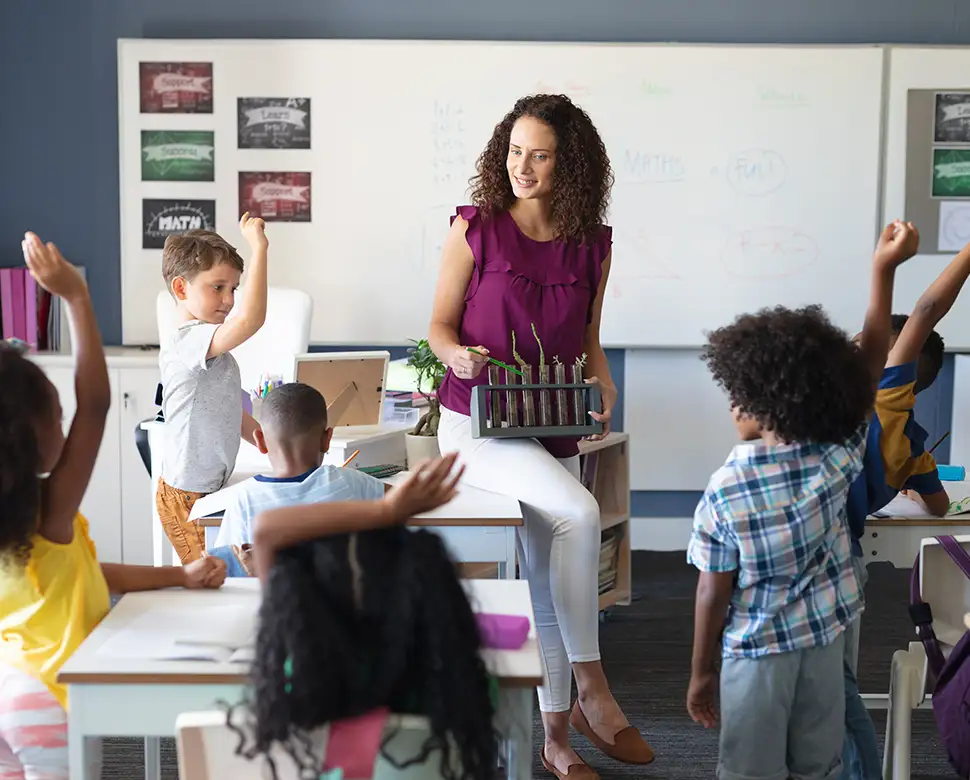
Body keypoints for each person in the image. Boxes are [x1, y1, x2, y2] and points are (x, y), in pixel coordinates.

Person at [429, 93, 650, 779]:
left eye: (540, 154)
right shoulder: (476, 229)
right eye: (514, 150)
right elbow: (438, 326)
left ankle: (554, 738)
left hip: (549, 421)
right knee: (580, 514)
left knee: (548, 576)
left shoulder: (593, 245)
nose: (522, 165)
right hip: (477, 426)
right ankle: (592, 685)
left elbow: (588, 338)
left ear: (570, 162)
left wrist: (605, 383)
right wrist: (456, 355)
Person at [685, 224, 915, 780]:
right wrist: (882, 271)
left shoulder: (725, 489)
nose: (732, 403)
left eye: (737, 393)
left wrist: (701, 673)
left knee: (750, 770)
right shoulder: (835, 457)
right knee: (820, 765)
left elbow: (712, 595)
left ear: (762, 405)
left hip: (756, 656)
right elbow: (871, 365)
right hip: (822, 647)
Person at [0, 234, 225, 780]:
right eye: (55, 416)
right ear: (22, 439)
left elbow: (85, 574)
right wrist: (77, 297)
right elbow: (96, 407)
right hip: (55, 700)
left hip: (15, 685)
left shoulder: (20, 525)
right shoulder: (49, 513)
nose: (64, 425)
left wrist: (178, 576)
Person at [230, 454, 498, 780]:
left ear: (299, 603)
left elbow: (266, 530)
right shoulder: (456, 679)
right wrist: (388, 511)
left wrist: (385, 511)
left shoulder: (294, 671)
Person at [842, 223, 970, 780]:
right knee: (839, 687)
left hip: (808, 547)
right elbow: (941, 508)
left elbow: (924, 310)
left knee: (820, 686)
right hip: (843, 561)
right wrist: (913, 488)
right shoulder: (914, 444)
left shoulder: (877, 391)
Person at [157, 213, 269, 564]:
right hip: (186, 495)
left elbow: (226, 406)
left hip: (209, 488)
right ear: (180, 288)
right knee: (213, 577)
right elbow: (252, 321)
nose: (229, 299)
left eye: (234, 288)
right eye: (217, 287)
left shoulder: (213, 351)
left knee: (230, 573)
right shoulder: (187, 342)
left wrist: (262, 437)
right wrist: (259, 248)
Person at [207, 382, 386, 576]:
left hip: (276, 603)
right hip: (344, 603)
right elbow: (407, 496)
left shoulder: (244, 498)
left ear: (260, 440)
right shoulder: (349, 482)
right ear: (327, 439)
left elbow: (229, 568)